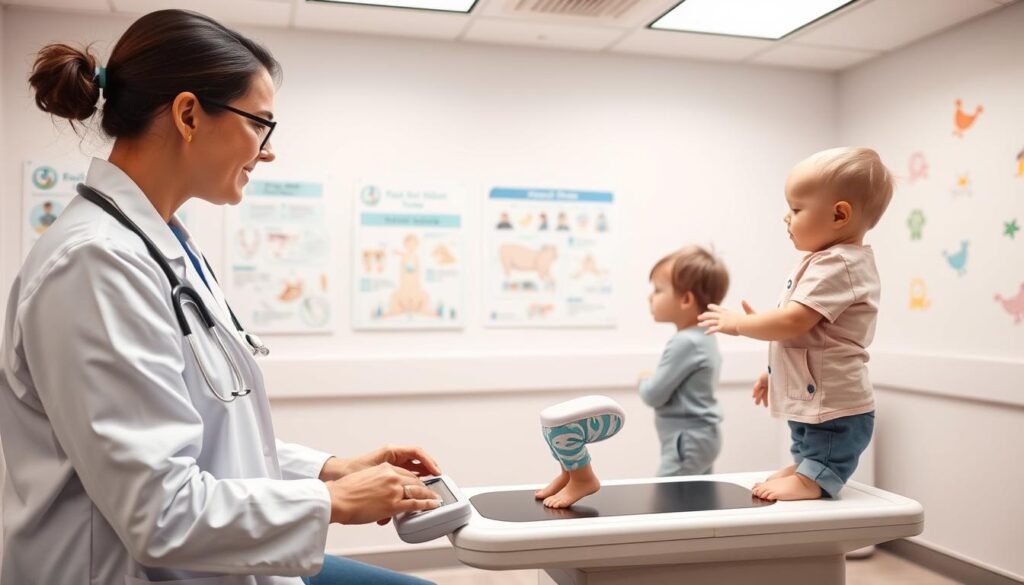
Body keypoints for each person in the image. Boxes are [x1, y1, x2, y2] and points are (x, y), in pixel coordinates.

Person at [0, 10, 441, 584]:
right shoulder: (96, 265)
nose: (267, 150)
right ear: (188, 115)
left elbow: (211, 440)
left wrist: (330, 470)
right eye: (260, 123)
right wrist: (333, 502)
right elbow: (159, 512)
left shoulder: (163, 249)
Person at [699, 147, 893, 501]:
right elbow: (807, 335)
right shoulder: (825, 262)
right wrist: (775, 373)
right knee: (805, 434)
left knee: (825, 439)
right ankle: (806, 467)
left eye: (796, 209)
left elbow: (793, 321)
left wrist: (742, 323)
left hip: (836, 402)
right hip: (815, 394)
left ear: (839, 215)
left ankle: (816, 475)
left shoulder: (840, 264)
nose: (786, 218)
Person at [639, 246, 728, 477]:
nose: (650, 297)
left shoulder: (684, 342)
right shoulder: (705, 337)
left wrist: (644, 380)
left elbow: (654, 394)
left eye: (658, 290)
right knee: (697, 500)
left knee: (667, 502)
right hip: (702, 437)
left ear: (687, 299)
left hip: (686, 440)